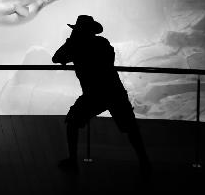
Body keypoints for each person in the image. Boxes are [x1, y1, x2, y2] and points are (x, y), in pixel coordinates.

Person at [52, 15, 151, 179]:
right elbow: (108, 61)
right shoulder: (102, 43)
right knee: (130, 127)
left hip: (93, 95)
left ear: (79, 30)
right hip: (114, 91)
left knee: (72, 122)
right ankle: (145, 162)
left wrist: (71, 42)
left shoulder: (76, 46)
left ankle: (72, 160)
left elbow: (56, 58)